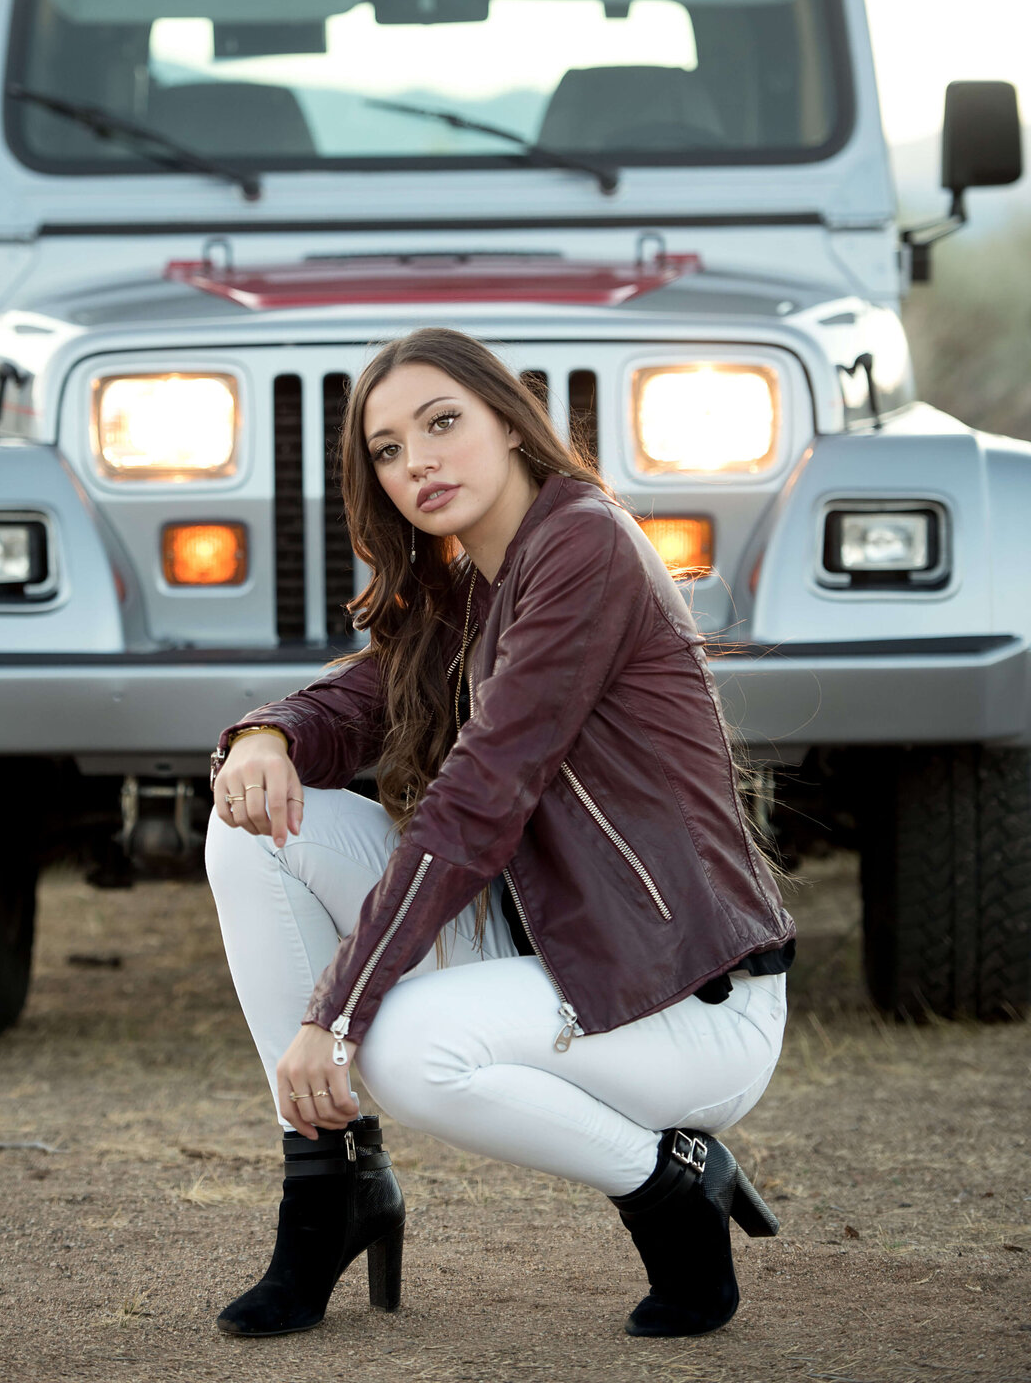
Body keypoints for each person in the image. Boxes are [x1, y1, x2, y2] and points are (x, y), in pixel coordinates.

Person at [205, 325, 795, 1341]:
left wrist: (335, 1011)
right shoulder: (472, 584)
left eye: (443, 423)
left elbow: (482, 796)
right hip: (560, 957)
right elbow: (357, 702)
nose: (418, 461)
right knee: (254, 833)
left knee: (393, 1044)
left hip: (681, 994)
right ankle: (330, 1180)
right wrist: (263, 735)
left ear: (513, 423)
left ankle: (669, 1181)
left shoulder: (587, 545)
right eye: (388, 449)